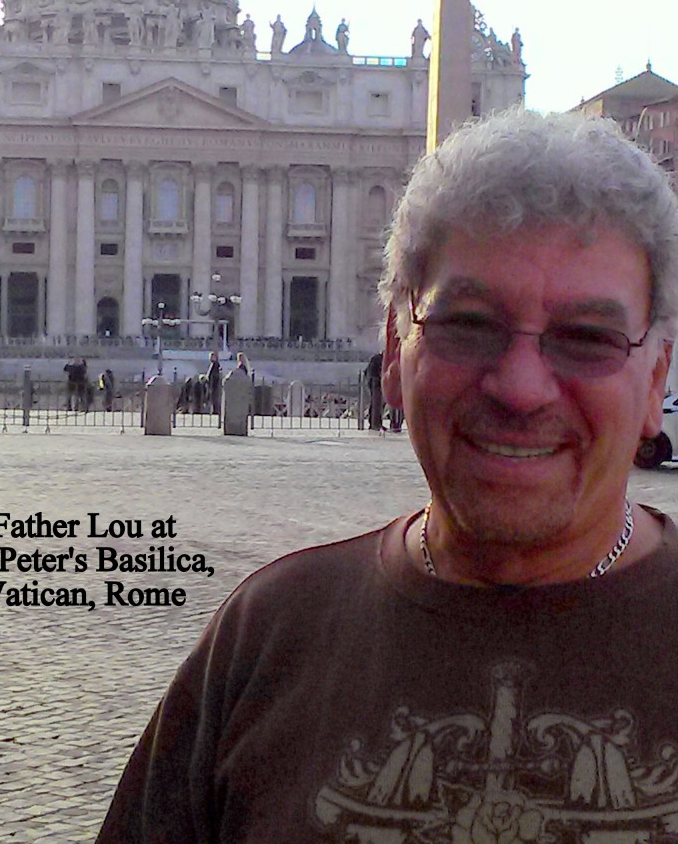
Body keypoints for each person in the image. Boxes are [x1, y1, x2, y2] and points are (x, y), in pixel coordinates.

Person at [95, 109, 678, 844]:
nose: (521, 388)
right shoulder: (263, 639)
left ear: (655, 380)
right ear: (395, 355)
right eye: (468, 324)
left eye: (587, 337)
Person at [364, 350, 384, 430]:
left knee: (376, 404)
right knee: (376, 404)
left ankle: (376, 423)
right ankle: (375, 424)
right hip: (375, 383)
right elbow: (372, 372)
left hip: (375, 382)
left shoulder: (377, 358)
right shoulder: (378, 359)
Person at [206, 350, 222, 416]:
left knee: (214, 397)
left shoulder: (215, 364)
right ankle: (214, 410)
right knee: (213, 398)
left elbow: (213, 375)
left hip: (214, 384)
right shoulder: (214, 364)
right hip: (213, 384)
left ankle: (215, 410)